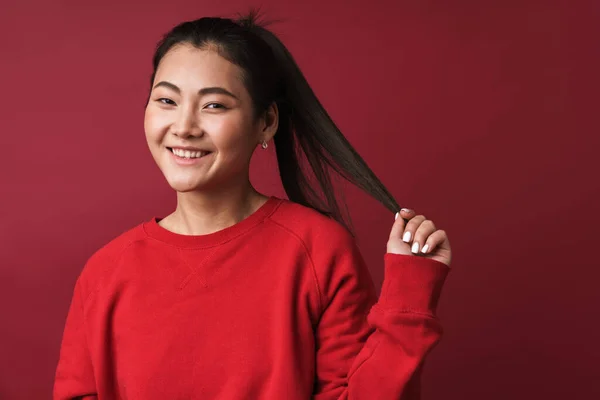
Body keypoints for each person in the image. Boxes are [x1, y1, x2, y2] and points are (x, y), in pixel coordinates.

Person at [53, 10, 452, 400]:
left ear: (266, 122)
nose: (185, 127)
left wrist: (409, 296)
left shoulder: (319, 251)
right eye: (167, 100)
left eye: (214, 105)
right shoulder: (104, 273)